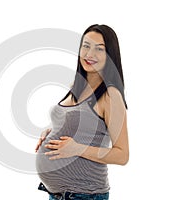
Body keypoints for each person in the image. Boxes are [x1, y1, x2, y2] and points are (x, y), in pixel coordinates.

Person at [35, 24, 129, 200]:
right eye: (86, 46)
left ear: (110, 55)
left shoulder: (110, 95)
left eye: (99, 49)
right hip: (58, 194)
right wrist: (51, 131)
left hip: (85, 194)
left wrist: (77, 149)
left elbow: (122, 155)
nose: (89, 54)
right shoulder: (76, 87)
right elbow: (79, 123)